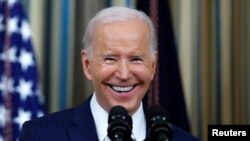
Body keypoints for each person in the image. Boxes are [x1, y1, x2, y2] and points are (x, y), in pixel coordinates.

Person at [20, 7, 200, 141]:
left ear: (152, 66)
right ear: (87, 64)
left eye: (136, 59)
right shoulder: (40, 135)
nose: (123, 74)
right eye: (110, 59)